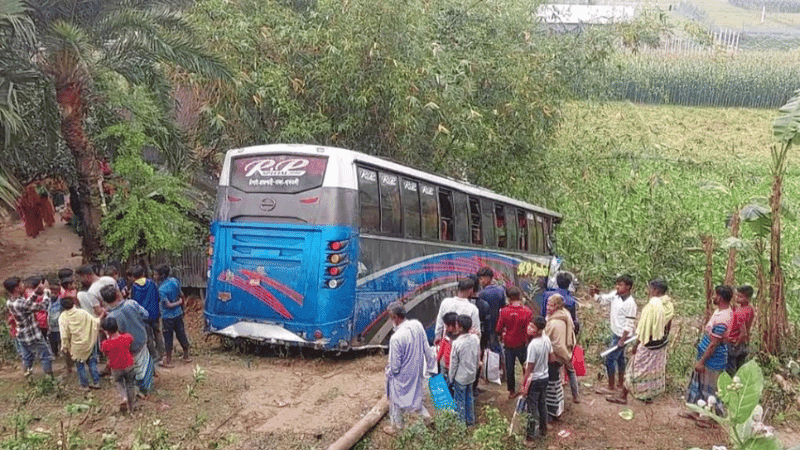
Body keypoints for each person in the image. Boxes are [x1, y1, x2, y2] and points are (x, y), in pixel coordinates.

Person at [606, 278, 674, 404]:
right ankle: (647, 396)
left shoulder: (652, 307)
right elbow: (669, 323)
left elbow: (643, 329)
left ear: (656, 290)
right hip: (661, 342)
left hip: (649, 343)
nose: (648, 291)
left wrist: (636, 344)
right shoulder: (668, 304)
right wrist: (665, 337)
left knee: (633, 369)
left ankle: (623, 396)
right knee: (653, 370)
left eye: (650, 288)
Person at [682, 284, 734, 428]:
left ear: (721, 298)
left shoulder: (723, 318)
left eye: (715, 295)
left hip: (712, 359)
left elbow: (714, 344)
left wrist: (702, 362)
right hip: (706, 356)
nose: (713, 297)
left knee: (710, 388)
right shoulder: (721, 312)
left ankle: (711, 417)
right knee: (699, 384)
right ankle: (696, 411)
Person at [383, 302, 435, 435]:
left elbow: (395, 367)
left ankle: (397, 427)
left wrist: (389, 372)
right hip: (417, 370)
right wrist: (430, 365)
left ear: (395, 317)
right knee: (416, 396)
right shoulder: (417, 325)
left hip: (403, 375)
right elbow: (427, 349)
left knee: (395, 401)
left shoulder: (396, 338)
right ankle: (426, 417)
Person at [100, 284, 154, 394]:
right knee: (144, 362)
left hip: (128, 347)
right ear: (118, 295)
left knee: (137, 369)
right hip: (142, 338)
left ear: (104, 300)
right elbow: (146, 314)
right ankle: (148, 383)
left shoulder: (110, 317)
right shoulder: (131, 303)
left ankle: (142, 389)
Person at [595, 275, 637, 394]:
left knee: (609, 359)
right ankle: (619, 383)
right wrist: (594, 294)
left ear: (628, 287)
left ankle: (611, 386)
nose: (617, 287)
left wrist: (622, 339)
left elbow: (629, 324)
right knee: (620, 358)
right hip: (616, 332)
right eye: (617, 284)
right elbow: (602, 300)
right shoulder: (615, 295)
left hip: (622, 335)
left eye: (620, 285)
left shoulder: (631, 304)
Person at [4, 277, 53, 377]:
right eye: (21, 284)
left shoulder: (11, 302)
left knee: (27, 356)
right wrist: (46, 291)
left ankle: (28, 375)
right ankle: (49, 379)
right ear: (17, 288)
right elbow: (43, 306)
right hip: (33, 335)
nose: (24, 286)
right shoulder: (21, 303)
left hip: (22, 334)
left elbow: (27, 304)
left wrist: (36, 293)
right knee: (46, 356)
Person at [495, 286, 533, 399]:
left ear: (508, 298)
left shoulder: (504, 311)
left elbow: (498, 328)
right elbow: (530, 329)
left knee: (510, 367)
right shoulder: (527, 311)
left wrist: (502, 334)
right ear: (519, 296)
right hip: (523, 343)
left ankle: (511, 391)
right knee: (527, 366)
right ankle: (528, 386)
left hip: (508, 344)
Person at [520, 316, 552, 445]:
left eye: (532, 327)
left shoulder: (533, 345)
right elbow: (551, 357)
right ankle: (543, 429)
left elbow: (530, 367)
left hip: (535, 379)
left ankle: (530, 436)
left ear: (539, 330)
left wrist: (523, 383)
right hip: (545, 377)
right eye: (529, 325)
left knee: (532, 408)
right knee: (542, 403)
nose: (528, 328)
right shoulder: (546, 339)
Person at [544, 294, 576, 417]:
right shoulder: (565, 315)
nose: (547, 307)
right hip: (563, 355)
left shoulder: (554, 323)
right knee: (557, 382)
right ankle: (558, 407)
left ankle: (551, 411)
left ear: (556, 306)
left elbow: (552, 342)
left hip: (555, 356)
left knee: (551, 384)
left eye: (550, 305)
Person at [58, 297, 100, 390]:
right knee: (92, 362)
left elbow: (64, 335)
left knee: (80, 365)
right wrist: (101, 316)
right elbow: (95, 322)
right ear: (73, 303)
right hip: (89, 342)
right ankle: (96, 382)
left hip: (76, 346)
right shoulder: (82, 312)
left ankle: (84, 385)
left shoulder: (63, 317)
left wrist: (65, 347)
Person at [155, 265, 191, 366]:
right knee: (181, 334)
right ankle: (186, 355)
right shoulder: (174, 281)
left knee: (168, 338)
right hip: (178, 314)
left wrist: (178, 303)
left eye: (156, 274)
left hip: (167, 317)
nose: (154, 276)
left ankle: (169, 360)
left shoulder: (161, 289)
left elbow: (168, 305)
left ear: (161, 275)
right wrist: (181, 305)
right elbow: (181, 295)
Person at [100, 317, 137, 413]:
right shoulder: (127, 337)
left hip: (116, 367)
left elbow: (105, 353)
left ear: (106, 331)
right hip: (129, 365)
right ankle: (131, 407)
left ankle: (123, 396)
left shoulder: (105, 343)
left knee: (118, 382)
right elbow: (131, 344)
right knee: (130, 385)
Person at [449, 314, 480, 426]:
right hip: (471, 375)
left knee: (459, 401)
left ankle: (461, 425)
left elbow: (454, 365)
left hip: (460, 377)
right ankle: (470, 421)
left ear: (460, 327)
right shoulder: (475, 339)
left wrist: (451, 378)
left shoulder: (457, 343)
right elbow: (477, 356)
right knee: (469, 398)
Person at [130, 265, 165, 364]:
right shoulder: (152, 283)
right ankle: (162, 353)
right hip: (155, 313)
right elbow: (158, 297)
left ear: (134, 276)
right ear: (143, 274)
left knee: (148, 336)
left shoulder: (134, 287)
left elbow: (133, 302)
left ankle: (154, 356)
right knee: (157, 333)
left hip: (143, 316)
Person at [434, 278, 481, 344]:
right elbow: (477, 333)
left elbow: (439, 324)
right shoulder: (473, 308)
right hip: (464, 346)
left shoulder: (445, 302)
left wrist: (437, 337)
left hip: (447, 345)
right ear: (471, 291)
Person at [727, 285, 755, 376]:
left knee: (730, 371)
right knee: (741, 371)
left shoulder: (740, 313)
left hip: (735, 343)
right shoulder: (750, 308)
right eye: (737, 295)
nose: (737, 298)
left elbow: (743, 332)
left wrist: (736, 344)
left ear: (748, 298)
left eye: (740, 296)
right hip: (744, 343)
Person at [476, 266, 506, 352]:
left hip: (487, 325)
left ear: (487, 278)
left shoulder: (482, 293)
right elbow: (503, 307)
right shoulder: (501, 290)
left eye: (481, 278)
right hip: (498, 324)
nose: (480, 281)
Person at [436, 312, 459, 384]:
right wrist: (437, 359)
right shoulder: (447, 335)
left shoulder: (459, 339)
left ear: (454, 326)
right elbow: (442, 347)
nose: (446, 328)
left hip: (453, 366)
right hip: (444, 364)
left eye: (447, 326)